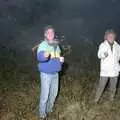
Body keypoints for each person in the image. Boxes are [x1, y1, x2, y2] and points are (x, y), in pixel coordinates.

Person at [37, 25, 64, 119]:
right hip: (46, 74)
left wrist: (60, 61)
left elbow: (57, 57)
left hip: (55, 73)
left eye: (52, 32)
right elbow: (39, 57)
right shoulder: (43, 45)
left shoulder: (56, 45)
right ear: (45, 34)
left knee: (54, 93)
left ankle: (49, 109)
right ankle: (42, 114)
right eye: (48, 32)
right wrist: (44, 55)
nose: (50, 34)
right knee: (45, 95)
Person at [95, 29, 120, 103]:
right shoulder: (103, 45)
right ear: (106, 37)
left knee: (113, 87)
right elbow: (99, 55)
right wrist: (103, 55)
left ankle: (111, 101)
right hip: (105, 70)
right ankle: (96, 100)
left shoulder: (117, 46)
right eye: (109, 35)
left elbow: (118, 57)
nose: (111, 36)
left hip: (115, 70)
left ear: (114, 36)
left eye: (112, 35)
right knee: (101, 86)